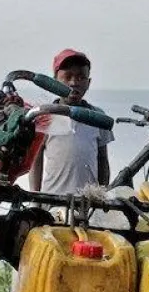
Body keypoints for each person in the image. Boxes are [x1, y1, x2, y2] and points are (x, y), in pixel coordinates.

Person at [29, 49, 114, 194]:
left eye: (81, 77)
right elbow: (35, 159)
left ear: (89, 82)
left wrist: (102, 194)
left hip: (87, 202)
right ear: (54, 82)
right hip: (52, 199)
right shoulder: (45, 115)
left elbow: (102, 160)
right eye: (67, 77)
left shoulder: (98, 116)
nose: (74, 83)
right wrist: (35, 197)